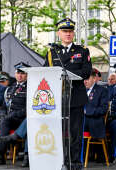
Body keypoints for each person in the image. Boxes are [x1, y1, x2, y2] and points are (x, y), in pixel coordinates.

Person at [44, 18, 92, 169]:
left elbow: (86, 72)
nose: (68, 34)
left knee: (75, 132)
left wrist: (65, 73)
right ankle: (59, 160)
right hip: (58, 98)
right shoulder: (52, 52)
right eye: (65, 31)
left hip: (75, 97)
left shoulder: (82, 50)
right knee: (57, 131)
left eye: (70, 31)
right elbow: (46, 72)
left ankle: (75, 161)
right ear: (59, 33)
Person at [0, 62, 29, 166]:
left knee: (31, 126)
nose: (20, 75)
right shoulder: (10, 88)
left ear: (27, 75)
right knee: (4, 120)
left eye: (23, 73)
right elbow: (4, 106)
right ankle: (0, 155)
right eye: (18, 73)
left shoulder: (31, 88)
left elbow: (29, 108)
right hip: (11, 118)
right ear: (15, 74)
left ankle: (27, 157)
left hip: (23, 118)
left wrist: (16, 114)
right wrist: (2, 114)